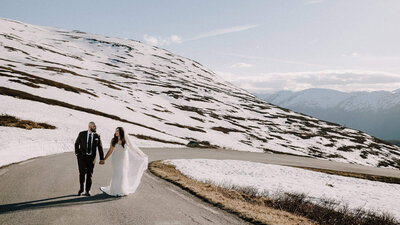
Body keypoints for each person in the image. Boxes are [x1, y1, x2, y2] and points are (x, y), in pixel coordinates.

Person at [100, 127, 148, 197]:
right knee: (117, 173)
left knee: (122, 173)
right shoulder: (113, 140)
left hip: (124, 160)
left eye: (118, 131)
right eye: (116, 131)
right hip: (115, 159)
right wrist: (104, 159)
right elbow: (110, 150)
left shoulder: (125, 140)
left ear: (121, 132)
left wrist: (141, 155)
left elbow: (133, 148)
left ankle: (121, 189)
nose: (116, 132)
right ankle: (114, 189)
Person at [74, 121, 105, 196]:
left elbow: (100, 148)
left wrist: (102, 158)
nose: (95, 128)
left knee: (89, 174)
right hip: (82, 157)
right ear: (89, 127)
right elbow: (76, 143)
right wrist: (77, 153)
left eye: (95, 126)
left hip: (91, 158)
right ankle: (81, 189)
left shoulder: (97, 136)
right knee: (82, 173)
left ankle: (87, 191)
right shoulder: (82, 134)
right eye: (94, 126)